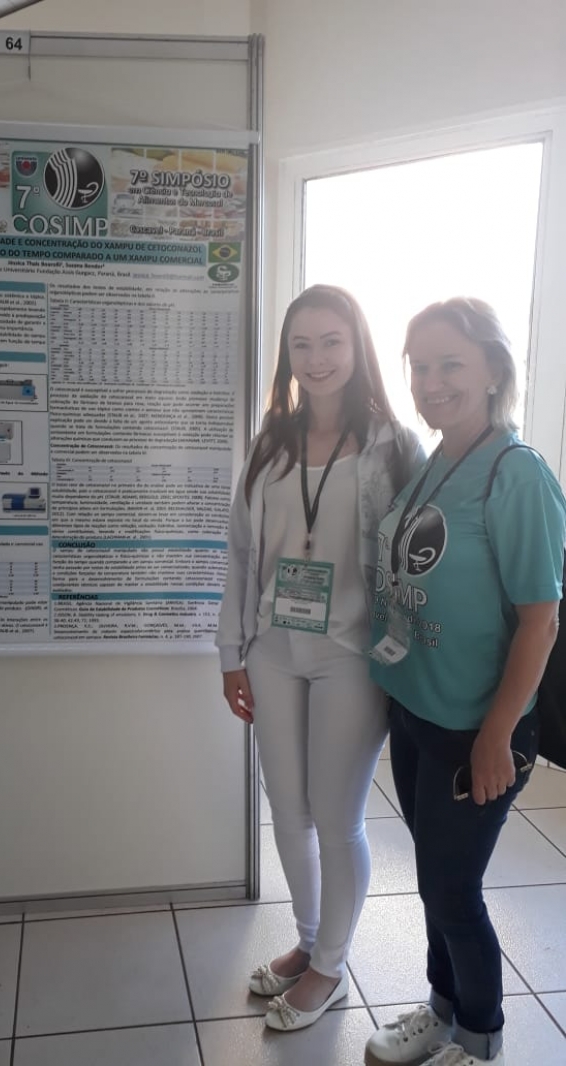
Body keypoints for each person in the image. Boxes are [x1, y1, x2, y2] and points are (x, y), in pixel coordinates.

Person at [216, 284, 424, 1032]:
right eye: (301, 344)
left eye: (332, 341)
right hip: (273, 649)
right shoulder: (270, 441)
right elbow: (242, 555)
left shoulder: (393, 446)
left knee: (337, 818)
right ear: (287, 354)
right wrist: (230, 653)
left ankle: (331, 968)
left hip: (352, 657)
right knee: (287, 809)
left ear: (357, 346)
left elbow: (420, 559)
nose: (317, 358)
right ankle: (308, 943)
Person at [366, 298, 566, 1066]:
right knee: (433, 878)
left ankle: (480, 1038)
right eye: (419, 366)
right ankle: (441, 1007)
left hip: (476, 727)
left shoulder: (517, 475)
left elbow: (540, 622)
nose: (431, 381)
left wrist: (496, 735)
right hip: (417, 707)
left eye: (450, 363)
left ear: (492, 371)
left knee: (453, 891)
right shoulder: (436, 461)